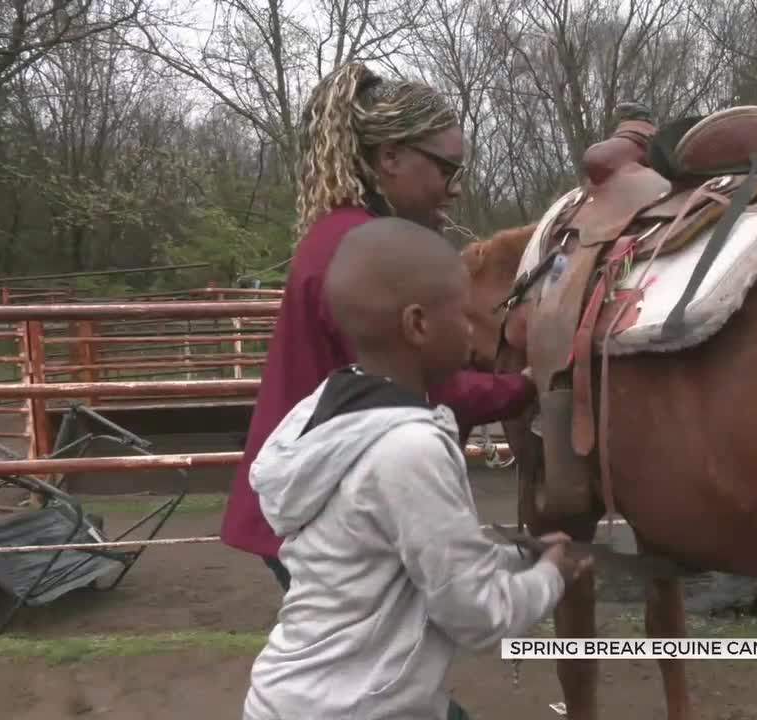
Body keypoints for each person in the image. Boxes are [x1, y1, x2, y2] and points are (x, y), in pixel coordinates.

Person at [241, 218, 589, 720]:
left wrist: (515, 558)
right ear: (418, 325)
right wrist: (552, 576)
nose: (472, 333)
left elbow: (403, 555)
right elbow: (475, 616)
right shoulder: (409, 448)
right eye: (464, 317)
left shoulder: (325, 411)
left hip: (293, 699)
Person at [219, 62, 535, 591]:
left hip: (312, 500)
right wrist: (524, 387)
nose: (454, 189)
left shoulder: (346, 235)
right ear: (390, 157)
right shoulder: (367, 252)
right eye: (445, 169)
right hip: (327, 517)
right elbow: (423, 388)